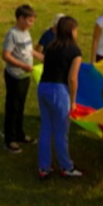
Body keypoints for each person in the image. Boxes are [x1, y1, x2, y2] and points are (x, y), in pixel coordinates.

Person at [37, 16, 83, 179]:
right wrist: (73, 101)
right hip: (59, 90)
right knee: (61, 132)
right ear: (71, 31)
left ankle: (44, 167)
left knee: (45, 129)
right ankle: (66, 166)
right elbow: (72, 78)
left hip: (43, 88)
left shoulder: (50, 47)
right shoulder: (75, 51)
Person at [1, 4, 44, 154]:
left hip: (25, 76)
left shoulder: (26, 33)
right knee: (13, 107)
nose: (31, 24)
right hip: (15, 76)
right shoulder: (12, 34)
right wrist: (22, 66)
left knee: (21, 106)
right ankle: (9, 140)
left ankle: (19, 135)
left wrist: (40, 57)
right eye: (30, 21)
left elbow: (28, 49)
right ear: (20, 19)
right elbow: (6, 55)